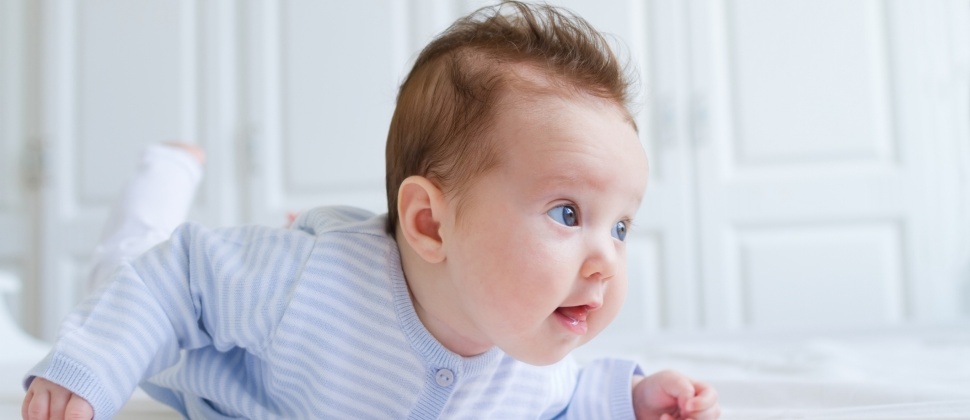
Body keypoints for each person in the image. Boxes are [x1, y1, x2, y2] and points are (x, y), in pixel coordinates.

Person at [22, 2, 721, 419]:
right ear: (428, 223)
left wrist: (632, 397)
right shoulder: (312, 284)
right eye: (568, 213)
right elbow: (174, 280)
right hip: (196, 356)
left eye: (621, 225)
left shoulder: (532, 350)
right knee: (129, 259)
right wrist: (90, 371)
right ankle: (165, 172)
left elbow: (564, 399)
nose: (606, 260)